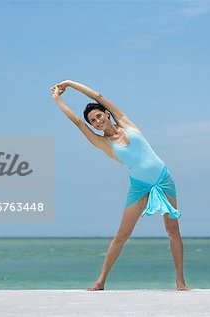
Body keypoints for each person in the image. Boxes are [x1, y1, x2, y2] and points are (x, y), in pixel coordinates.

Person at [49, 80, 190, 291]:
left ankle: (180, 281)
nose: (97, 121)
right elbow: (78, 122)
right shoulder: (102, 142)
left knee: (172, 231)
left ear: (106, 114)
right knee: (122, 235)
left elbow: (97, 96)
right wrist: (58, 99)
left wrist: (69, 83)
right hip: (140, 187)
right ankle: (101, 281)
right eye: (93, 121)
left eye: (98, 116)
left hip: (163, 179)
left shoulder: (126, 123)